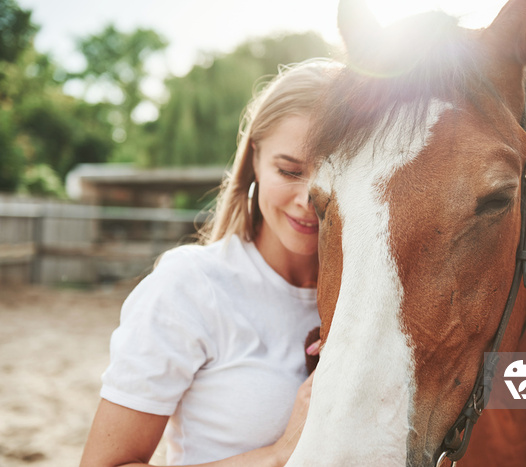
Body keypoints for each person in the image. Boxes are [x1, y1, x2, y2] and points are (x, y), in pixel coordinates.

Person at [80, 58, 340, 467]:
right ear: (254, 157)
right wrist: (278, 456)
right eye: (289, 170)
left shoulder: (374, 299)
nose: (310, 200)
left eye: (335, 176)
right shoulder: (190, 285)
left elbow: (480, 406)